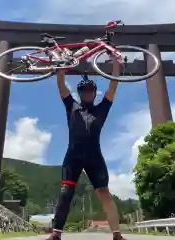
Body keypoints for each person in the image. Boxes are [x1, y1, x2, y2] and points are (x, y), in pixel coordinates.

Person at [47, 60, 126, 240]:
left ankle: (117, 234)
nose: (88, 92)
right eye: (85, 90)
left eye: (91, 90)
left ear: (94, 93)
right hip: (73, 155)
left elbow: (113, 86)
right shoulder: (72, 106)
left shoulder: (102, 109)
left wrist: (116, 65)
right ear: (80, 93)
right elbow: (61, 85)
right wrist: (61, 67)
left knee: (104, 193)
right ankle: (56, 233)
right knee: (65, 193)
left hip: (94, 157)